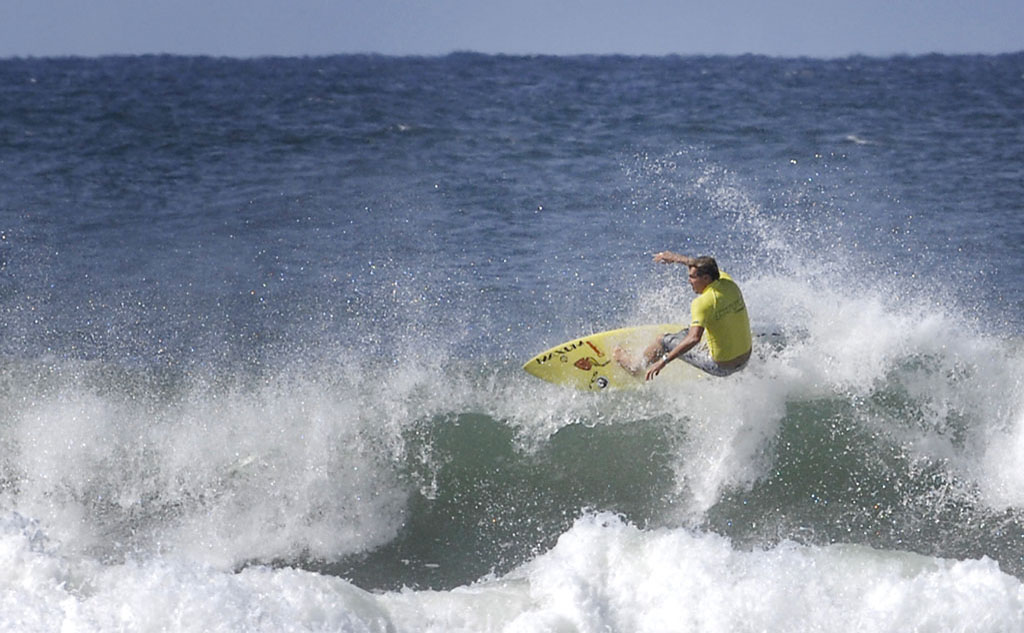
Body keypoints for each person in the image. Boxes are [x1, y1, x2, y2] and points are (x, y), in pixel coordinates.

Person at [615, 251, 752, 380]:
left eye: (692, 277)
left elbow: (694, 339)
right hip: (746, 357)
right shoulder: (728, 282)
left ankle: (635, 367)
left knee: (663, 341)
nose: (689, 281)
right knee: (696, 326)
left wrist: (664, 360)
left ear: (705, 278)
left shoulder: (702, 303)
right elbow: (704, 266)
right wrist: (675, 258)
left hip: (721, 367)